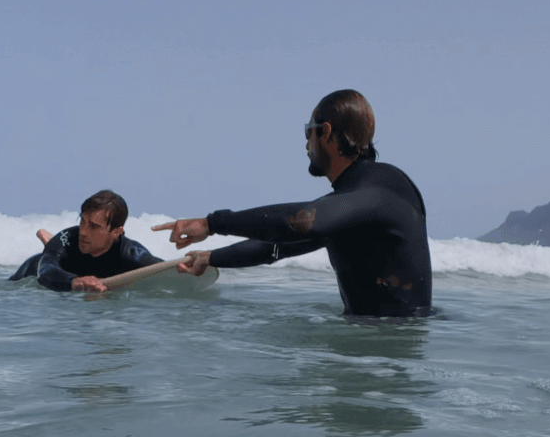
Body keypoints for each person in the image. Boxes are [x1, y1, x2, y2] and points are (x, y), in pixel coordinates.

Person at [153, 89, 431, 317]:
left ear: (327, 133)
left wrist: (211, 223)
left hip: (390, 351)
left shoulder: (380, 189)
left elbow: (297, 222)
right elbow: (278, 247)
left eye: (308, 132)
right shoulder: (355, 204)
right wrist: (210, 257)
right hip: (380, 352)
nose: (306, 144)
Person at [0, 190, 160, 294]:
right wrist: (73, 281)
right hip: (35, 269)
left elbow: (162, 268)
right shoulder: (67, 239)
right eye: (82, 222)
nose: (83, 232)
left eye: (93, 226)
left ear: (116, 232)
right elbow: (47, 270)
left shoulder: (131, 253)